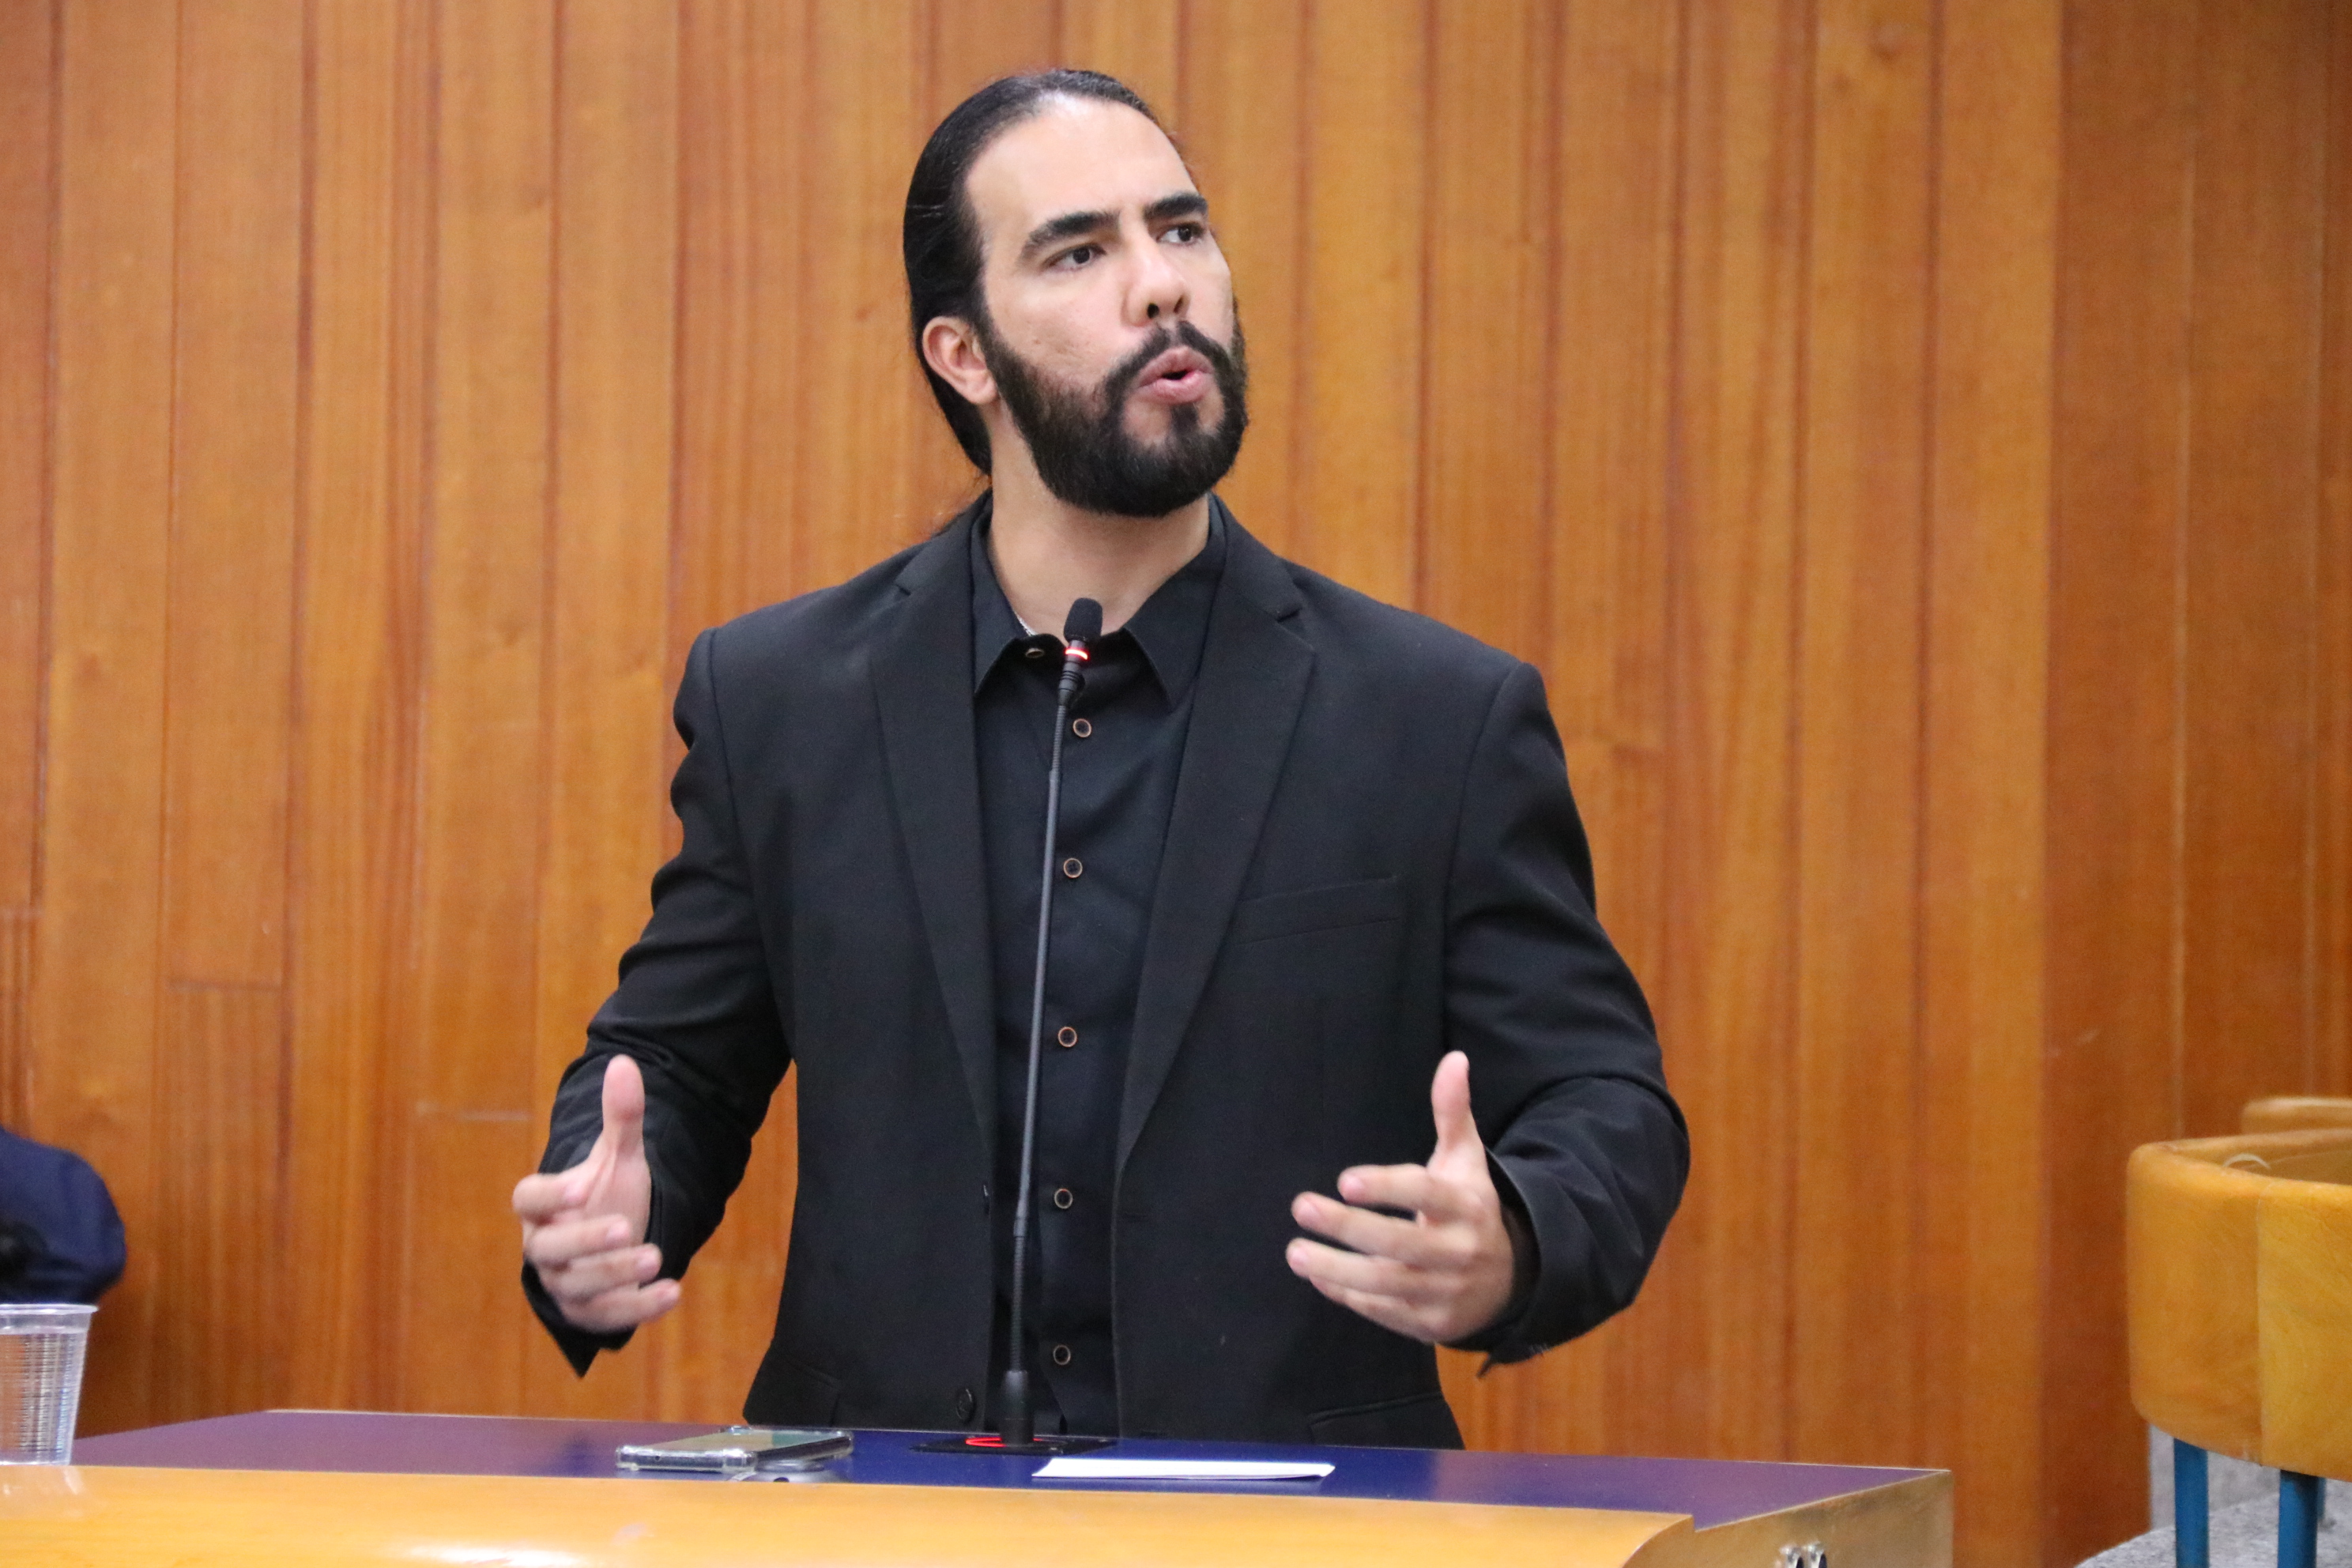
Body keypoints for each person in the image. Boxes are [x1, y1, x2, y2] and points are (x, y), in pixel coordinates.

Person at [514, 69, 1685, 1447]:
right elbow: (675, 1064)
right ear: (965, 355)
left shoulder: (1435, 718)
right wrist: (603, 1214)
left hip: (1301, 1513)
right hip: (881, 1507)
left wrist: (1518, 1240)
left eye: (1181, 230)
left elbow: (1605, 1102)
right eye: (1079, 252)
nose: (1162, 285)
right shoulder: (786, 700)